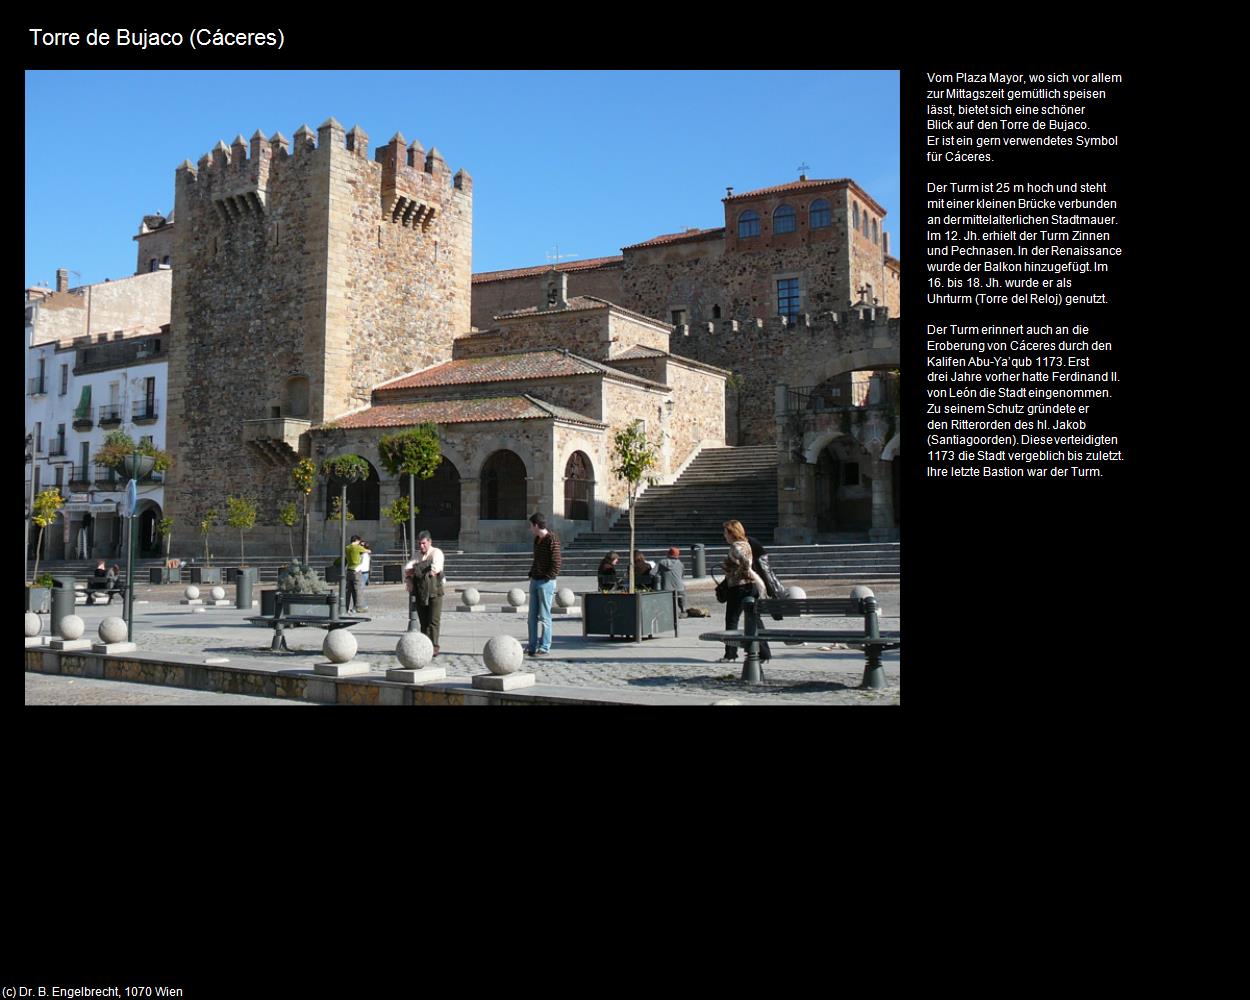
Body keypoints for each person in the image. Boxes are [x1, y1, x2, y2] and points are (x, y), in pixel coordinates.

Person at [717, 520, 771, 664]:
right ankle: (765, 652)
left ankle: (730, 654)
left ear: (732, 533)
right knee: (755, 619)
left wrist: (735, 572)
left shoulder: (736, 546)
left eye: (726, 532)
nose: (724, 535)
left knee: (732, 620)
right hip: (752, 585)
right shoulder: (746, 543)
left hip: (739, 587)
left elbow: (745, 564)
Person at [526, 512, 561, 656]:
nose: (530, 529)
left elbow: (557, 562)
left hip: (546, 582)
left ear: (536, 525)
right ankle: (532, 646)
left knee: (545, 616)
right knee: (531, 617)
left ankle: (545, 646)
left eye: (531, 526)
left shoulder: (552, 539)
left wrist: (548, 577)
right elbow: (537, 560)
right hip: (535, 580)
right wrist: (531, 572)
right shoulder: (537, 540)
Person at [404, 530, 444, 656]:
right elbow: (407, 569)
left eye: (423, 543)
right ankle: (424, 646)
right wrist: (418, 569)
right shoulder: (417, 555)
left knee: (433, 621)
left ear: (429, 542)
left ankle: (434, 646)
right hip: (421, 591)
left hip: (435, 591)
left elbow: (434, 570)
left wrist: (416, 569)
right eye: (419, 544)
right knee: (423, 622)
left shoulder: (436, 553)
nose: (421, 546)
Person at [655, 546, 687, 615]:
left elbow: (652, 573)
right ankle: (683, 609)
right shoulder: (681, 564)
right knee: (682, 588)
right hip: (679, 589)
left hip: (666, 589)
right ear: (678, 555)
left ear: (668, 554)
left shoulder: (661, 562)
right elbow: (682, 576)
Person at [344, 534, 366, 613]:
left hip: (349, 570)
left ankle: (345, 607)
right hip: (356, 570)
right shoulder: (357, 547)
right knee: (358, 590)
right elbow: (368, 551)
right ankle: (359, 607)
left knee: (348, 590)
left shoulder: (347, 548)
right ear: (357, 540)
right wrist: (363, 546)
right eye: (359, 541)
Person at [357, 539, 372, 605]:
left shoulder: (364, 555)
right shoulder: (364, 554)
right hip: (364, 572)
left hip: (363, 572)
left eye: (362, 546)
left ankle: (363, 605)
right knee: (360, 590)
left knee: (360, 590)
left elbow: (362, 565)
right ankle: (362, 605)